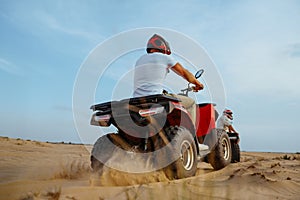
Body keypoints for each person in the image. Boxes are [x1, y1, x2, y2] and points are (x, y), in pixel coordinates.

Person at [133, 34, 204, 126]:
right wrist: (198, 84)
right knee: (191, 102)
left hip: (137, 100)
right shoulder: (164, 58)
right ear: (163, 47)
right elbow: (184, 73)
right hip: (155, 98)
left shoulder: (139, 60)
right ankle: (191, 136)